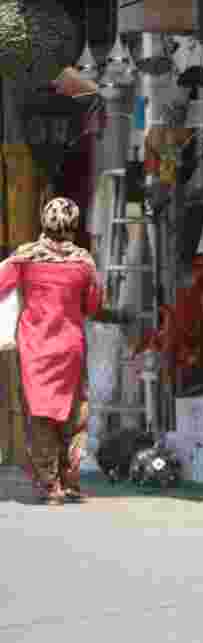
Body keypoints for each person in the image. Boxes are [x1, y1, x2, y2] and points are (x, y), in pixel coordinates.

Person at [0, 198, 102, 505]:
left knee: (40, 414)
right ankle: (70, 480)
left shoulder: (25, 258)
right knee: (73, 414)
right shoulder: (84, 263)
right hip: (69, 348)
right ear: (74, 225)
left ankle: (49, 484)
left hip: (35, 349)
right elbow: (93, 305)